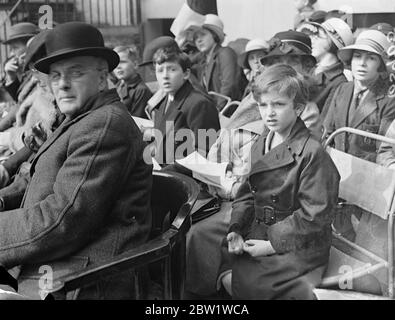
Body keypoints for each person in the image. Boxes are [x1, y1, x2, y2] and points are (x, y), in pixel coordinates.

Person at [0, 22, 152, 300]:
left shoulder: (104, 125)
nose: (63, 84)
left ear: (103, 75)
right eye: (56, 76)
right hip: (54, 265)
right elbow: (34, 181)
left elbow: (60, 222)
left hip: (82, 279)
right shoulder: (77, 118)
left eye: (76, 72)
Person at [216, 64, 340, 300]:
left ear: (299, 108)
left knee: (251, 283)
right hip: (263, 233)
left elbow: (315, 216)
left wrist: (271, 244)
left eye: (279, 104)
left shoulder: (312, 154)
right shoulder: (263, 140)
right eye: (263, 105)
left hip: (301, 246)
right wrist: (237, 229)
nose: (269, 113)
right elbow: (246, 194)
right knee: (225, 259)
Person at [323, 29, 395, 162]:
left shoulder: (389, 99)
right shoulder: (342, 89)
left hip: (369, 175)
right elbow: (326, 132)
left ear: (381, 65)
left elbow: (384, 150)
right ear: (350, 61)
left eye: (371, 58)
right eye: (357, 56)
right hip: (336, 169)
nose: (362, 63)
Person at [150, 46, 220, 168]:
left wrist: (164, 173)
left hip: (187, 180)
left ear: (186, 74)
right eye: (160, 70)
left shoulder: (199, 104)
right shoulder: (164, 103)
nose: (165, 76)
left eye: (172, 70)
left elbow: (204, 153)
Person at [299, 18, 354, 119]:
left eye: (318, 36)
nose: (312, 40)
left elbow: (326, 120)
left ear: (333, 42)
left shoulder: (339, 83)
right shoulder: (308, 69)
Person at [193, 14, 245, 110]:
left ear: (214, 35)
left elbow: (229, 85)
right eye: (196, 37)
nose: (199, 40)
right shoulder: (203, 61)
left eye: (203, 35)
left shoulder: (225, 53)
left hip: (228, 113)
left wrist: (217, 111)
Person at [113, 45, 152, 118]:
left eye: (122, 62)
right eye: (116, 63)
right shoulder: (119, 86)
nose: (118, 67)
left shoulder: (141, 90)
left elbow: (138, 120)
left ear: (135, 64)